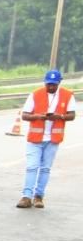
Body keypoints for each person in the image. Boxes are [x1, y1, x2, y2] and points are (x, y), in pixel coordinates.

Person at [16, 69, 76, 208]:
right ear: (45, 82)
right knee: (32, 167)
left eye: (54, 84)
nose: (51, 87)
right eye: (49, 84)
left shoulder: (67, 95)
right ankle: (26, 196)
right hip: (35, 139)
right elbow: (24, 115)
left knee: (45, 169)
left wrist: (59, 116)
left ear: (59, 83)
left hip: (53, 139)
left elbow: (72, 115)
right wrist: (38, 116)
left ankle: (39, 197)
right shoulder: (35, 94)